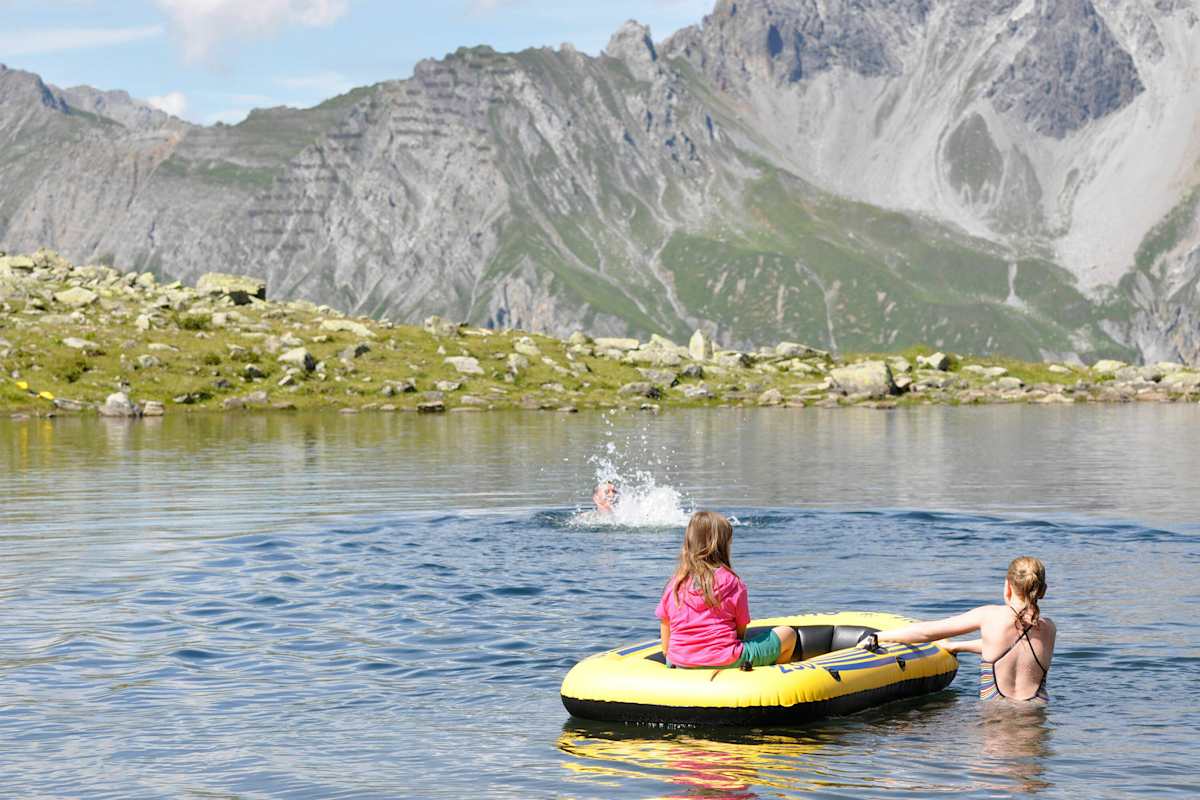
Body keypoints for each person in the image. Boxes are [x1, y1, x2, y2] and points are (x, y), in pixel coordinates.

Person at [859, 556, 1055, 702]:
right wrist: (957, 646)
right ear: (1042, 591)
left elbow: (927, 632)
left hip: (997, 712)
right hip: (1036, 712)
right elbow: (1014, 648)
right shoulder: (1048, 628)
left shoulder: (989, 615)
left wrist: (879, 636)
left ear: (1008, 587)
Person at [655, 511, 796, 669]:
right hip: (725, 659)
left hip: (679, 662)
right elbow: (740, 633)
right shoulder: (733, 583)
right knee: (788, 633)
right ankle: (773, 675)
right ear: (723, 546)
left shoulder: (674, 585)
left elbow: (666, 642)